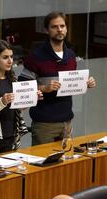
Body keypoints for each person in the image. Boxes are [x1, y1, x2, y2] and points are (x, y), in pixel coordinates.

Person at [19, 11, 96, 145]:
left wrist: (85, 83)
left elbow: (71, 82)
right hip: (44, 123)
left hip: (67, 121)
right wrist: (44, 88)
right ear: (46, 30)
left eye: (62, 26)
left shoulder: (71, 56)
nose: (59, 30)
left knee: (67, 164)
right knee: (44, 164)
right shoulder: (36, 57)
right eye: (54, 27)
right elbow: (22, 88)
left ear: (66, 28)